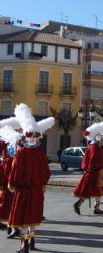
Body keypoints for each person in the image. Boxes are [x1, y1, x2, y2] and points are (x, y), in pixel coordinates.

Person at [8, 103, 52, 252]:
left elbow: (15, 170)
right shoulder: (40, 153)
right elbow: (46, 171)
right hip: (36, 190)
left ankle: (24, 244)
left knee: (22, 217)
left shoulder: (21, 153)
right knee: (33, 216)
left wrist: (11, 184)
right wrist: (43, 183)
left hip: (23, 189)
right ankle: (32, 240)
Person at [73, 120, 103, 216]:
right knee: (89, 191)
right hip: (94, 173)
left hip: (94, 172)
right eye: (101, 138)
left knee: (98, 191)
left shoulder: (92, 147)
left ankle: (97, 208)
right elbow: (93, 160)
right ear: (97, 138)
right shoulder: (95, 148)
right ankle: (78, 204)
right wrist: (98, 167)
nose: (102, 140)